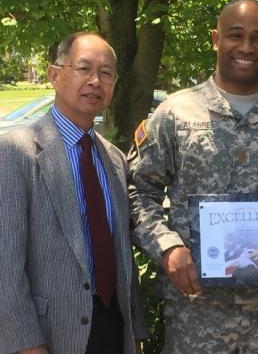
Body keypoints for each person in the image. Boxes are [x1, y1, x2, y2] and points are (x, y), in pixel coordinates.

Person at [128, 0, 258, 353]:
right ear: (216, 39)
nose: (247, 47)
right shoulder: (176, 114)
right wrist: (168, 248)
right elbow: (139, 192)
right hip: (195, 315)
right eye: (235, 35)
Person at [0, 32, 148, 354]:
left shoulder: (114, 159)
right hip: (49, 336)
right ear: (55, 75)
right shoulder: (15, 153)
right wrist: (29, 347)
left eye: (106, 73)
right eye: (84, 69)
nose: (96, 81)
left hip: (113, 331)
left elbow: (122, 256)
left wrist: (134, 333)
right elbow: (5, 269)